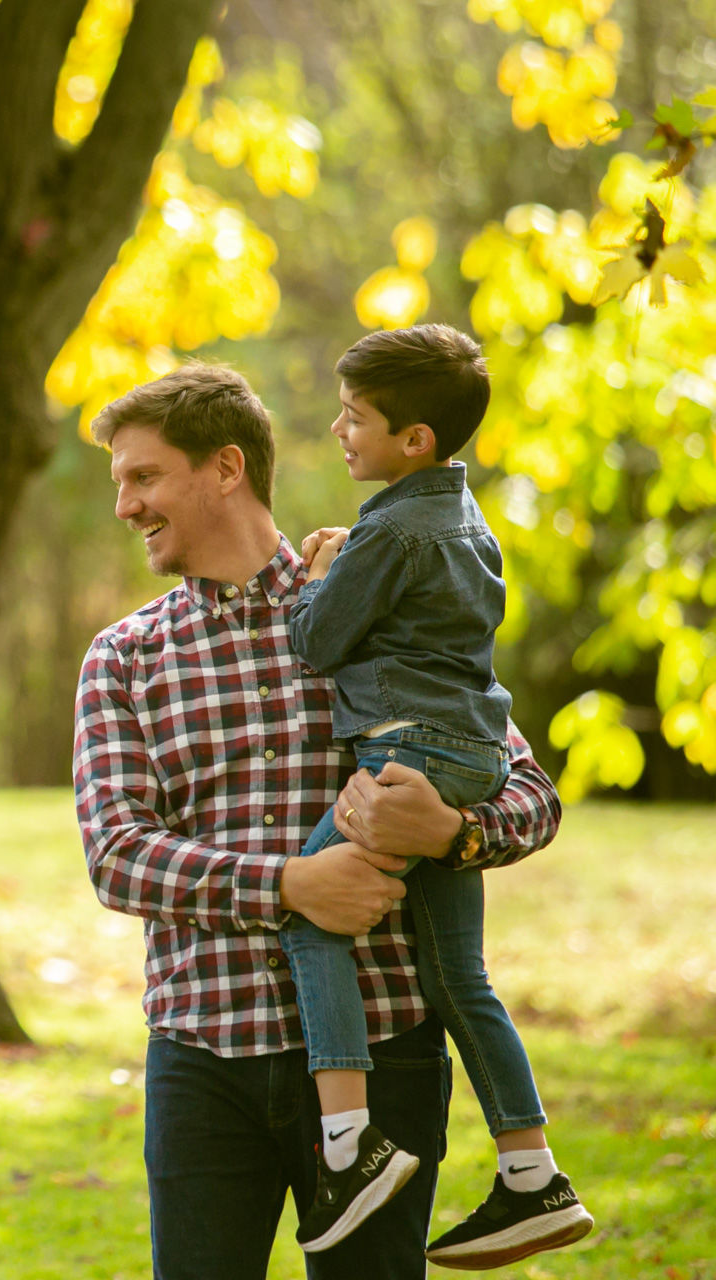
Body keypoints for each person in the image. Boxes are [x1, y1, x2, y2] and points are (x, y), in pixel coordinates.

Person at [73, 363, 563, 1280]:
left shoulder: (373, 596)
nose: (125, 506)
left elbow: (530, 793)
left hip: (386, 1048)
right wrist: (291, 885)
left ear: (225, 468)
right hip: (202, 1054)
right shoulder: (124, 659)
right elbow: (117, 858)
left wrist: (451, 834)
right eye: (120, 485)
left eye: (143, 478)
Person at [279, 325, 591, 1265]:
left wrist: (326, 571)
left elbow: (316, 641)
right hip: (470, 759)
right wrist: (356, 558)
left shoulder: (389, 529)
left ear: (414, 439)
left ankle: (351, 1146)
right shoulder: (465, 520)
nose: (340, 429)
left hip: (399, 756)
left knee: (308, 909)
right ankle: (533, 1177)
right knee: (460, 977)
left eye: (356, 417)